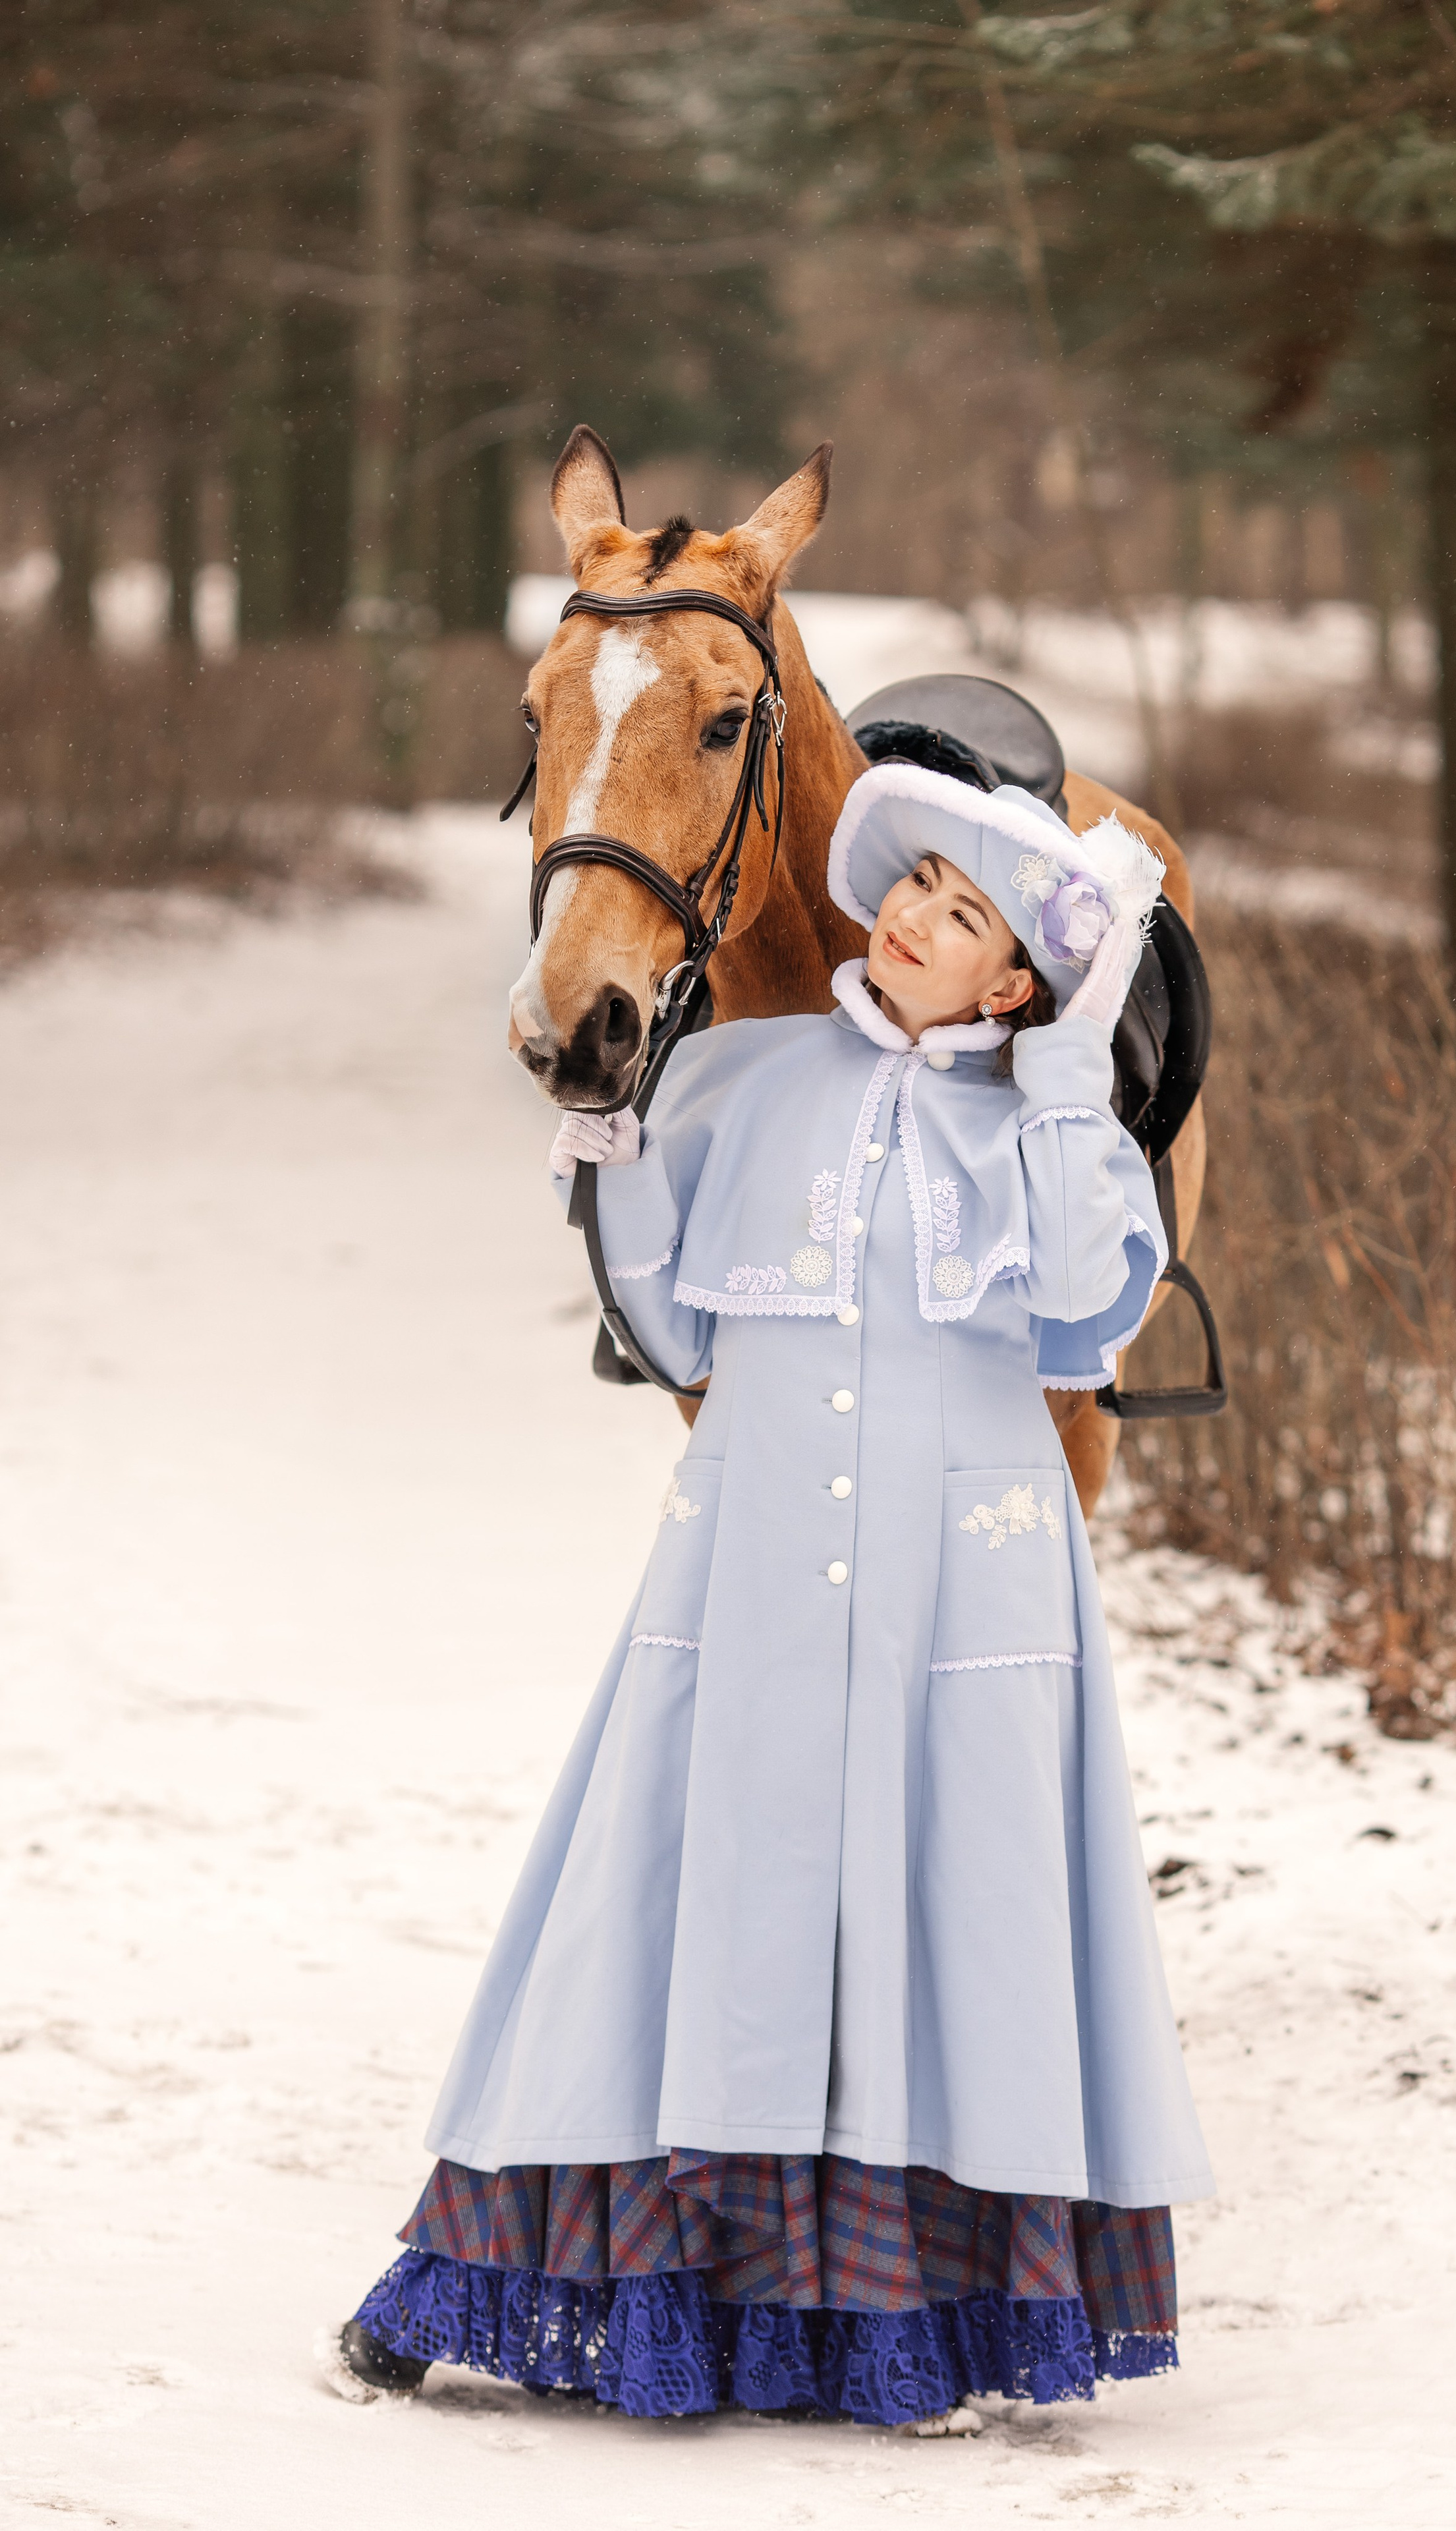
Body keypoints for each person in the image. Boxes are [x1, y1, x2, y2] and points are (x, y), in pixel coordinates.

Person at [332, 760, 1213, 2430]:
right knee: (654, 1893)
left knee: (949, 1905)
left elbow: (1090, 1306)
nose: (915, 917)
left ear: (1014, 981)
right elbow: (665, 1312)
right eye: (917, 884)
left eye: (966, 918)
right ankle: (500, 2266)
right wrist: (610, 1139)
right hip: (742, 1560)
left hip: (961, 1581)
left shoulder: (1052, 1131)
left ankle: (907, 2316)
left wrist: (1062, 1087)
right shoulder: (745, 1076)